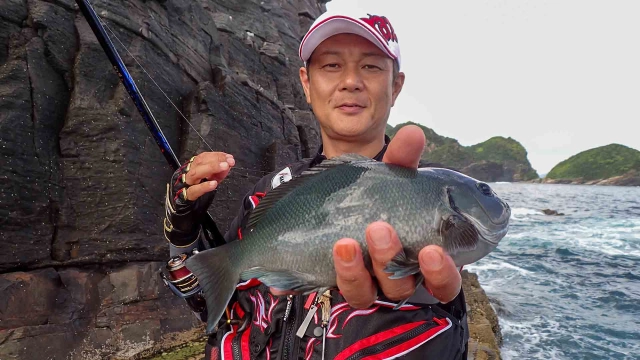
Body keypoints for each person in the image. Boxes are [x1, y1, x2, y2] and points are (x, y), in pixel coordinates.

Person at [164, 10, 469, 360]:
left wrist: (426, 292)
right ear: (307, 84)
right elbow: (216, 304)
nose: (351, 81)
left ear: (395, 86)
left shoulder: (429, 192)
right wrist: (182, 237)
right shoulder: (266, 195)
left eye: (371, 66)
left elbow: (449, 290)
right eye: (331, 66)